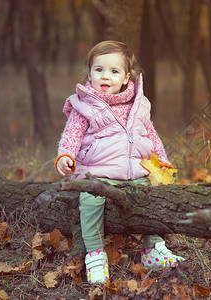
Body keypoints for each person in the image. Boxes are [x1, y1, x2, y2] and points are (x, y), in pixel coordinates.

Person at [55, 40, 184, 285]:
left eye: (114, 71)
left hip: (136, 171)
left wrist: (162, 160)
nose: (106, 76)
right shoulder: (84, 105)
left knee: (153, 195)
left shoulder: (139, 105)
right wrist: (66, 156)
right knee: (91, 199)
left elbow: (151, 134)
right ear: (89, 73)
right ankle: (95, 254)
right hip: (97, 172)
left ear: (126, 77)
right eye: (99, 69)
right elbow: (71, 134)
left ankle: (153, 248)